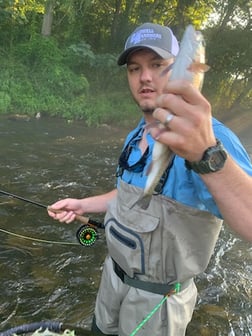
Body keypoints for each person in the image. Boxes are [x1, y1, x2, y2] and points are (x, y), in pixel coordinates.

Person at [48, 23, 252, 335]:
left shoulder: (214, 139)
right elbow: (132, 198)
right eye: (135, 68)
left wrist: (206, 155)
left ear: (184, 69)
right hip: (112, 282)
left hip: (159, 304)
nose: (145, 77)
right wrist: (82, 204)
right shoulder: (135, 134)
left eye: (157, 65)